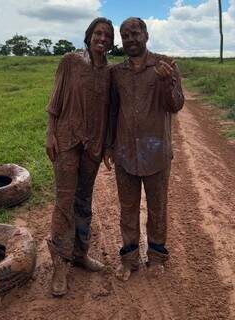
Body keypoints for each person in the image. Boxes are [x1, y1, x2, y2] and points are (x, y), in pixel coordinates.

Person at [104, 17, 184, 281]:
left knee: (157, 207)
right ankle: (129, 260)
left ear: (146, 35)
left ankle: (157, 258)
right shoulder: (117, 73)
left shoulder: (166, 65)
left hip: (157, 152)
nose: (130, 39)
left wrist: (169, 82)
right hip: (125, 152)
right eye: (125, 35)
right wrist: (108, 145)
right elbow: (113, 111)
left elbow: (176, 106)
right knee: (127, 208)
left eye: (135, 33)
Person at [46, 17, 114, 296]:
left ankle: (80, 254)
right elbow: (55, 101)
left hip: (93, 145)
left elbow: (110, 113)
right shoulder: (70, 61)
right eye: (98, 33)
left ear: (111, 43)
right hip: (66, 139)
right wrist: (50, 133)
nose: (102, 39)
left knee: (84, 199)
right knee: (64, 201)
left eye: (107, 36)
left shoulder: (110, 73)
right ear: (88, 36)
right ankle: (59, 265)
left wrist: (108, 146)